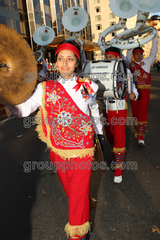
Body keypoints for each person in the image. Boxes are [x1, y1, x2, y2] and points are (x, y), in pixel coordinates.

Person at [7, 40, 105, 240]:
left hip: (82, 150)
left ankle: (78, 235)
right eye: (61, 59)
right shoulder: (45, 88)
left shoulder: (88, 86)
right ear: (55, 63)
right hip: (58, 150)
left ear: (77, 62)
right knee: (73, 193)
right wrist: (6, 97)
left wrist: (101, 136)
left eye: (70, 59)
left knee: (76, 197)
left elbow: (94, 111)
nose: (65, 63)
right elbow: (23, 110)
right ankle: (84, 207)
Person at [102, 47, 138, 183]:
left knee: (119, 137)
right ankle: (115, 156)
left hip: (119, 109)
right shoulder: (103, 69)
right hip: (106, 109)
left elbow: (132, 88)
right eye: (107, 56)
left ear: (118, 58)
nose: (108, 59)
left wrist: (134, 94)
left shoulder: (126, 71)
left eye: (112, 57)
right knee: (110, 135)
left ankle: (118, 170)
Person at [127, 31, 158, 145]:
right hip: (134, 92)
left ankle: (141, 136)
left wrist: (154, 37)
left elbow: (154, 51)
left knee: (143, 112)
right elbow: (128, 52)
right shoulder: (130, 64)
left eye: (140, 53)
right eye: (136, 54)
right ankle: (137, 130)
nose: (139, 56)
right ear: (133, 55)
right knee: (135, 112)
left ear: (143, 54)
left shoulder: (148, 61)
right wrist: (130, 38)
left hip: (145, 91)